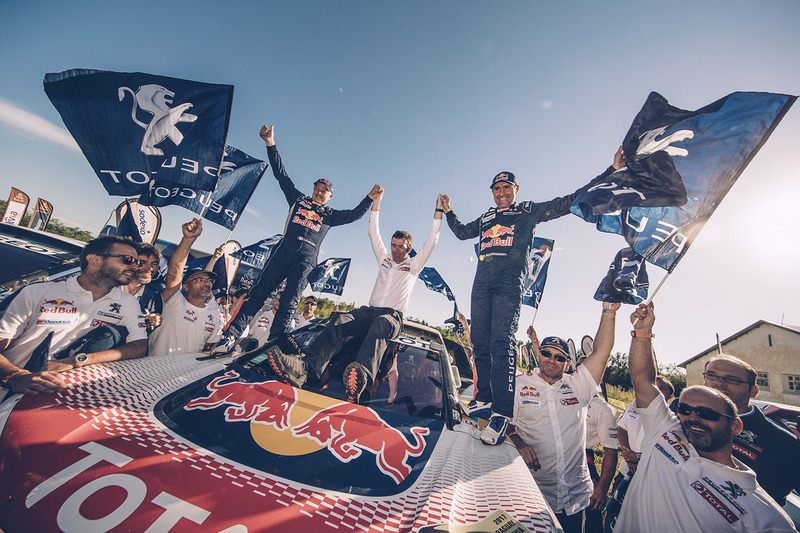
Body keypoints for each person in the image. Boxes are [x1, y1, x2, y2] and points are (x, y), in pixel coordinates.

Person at [441, 148, 625, 445]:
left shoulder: (527, 211)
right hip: (481, 283)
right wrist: (448, 211)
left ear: (515, 190)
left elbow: (568, 202)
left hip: (508, 284)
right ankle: (483, 398)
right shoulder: (487, 217)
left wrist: (610, 171)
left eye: (506, 188)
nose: (501, 193)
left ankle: (502, 412)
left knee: (502, 344)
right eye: (497, 189)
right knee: (482, 344)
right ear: (492, 192)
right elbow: (462, 233)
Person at [614, 302, 795, 532]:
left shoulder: (764, 512)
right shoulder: (668, 431)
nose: (693, 417)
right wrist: (642, 333)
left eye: (707, 413)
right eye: (685, 409)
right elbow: (642, 379)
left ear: (736, 426)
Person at [265, 188, 443, 404]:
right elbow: (373, 232)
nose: (396, 251)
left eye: (401, 247)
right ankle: (304, 367)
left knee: (381, 324)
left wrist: (438, 211)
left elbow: (432, 241)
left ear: (409, 248)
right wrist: (376, 204)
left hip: (392, 317)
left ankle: (360, 377)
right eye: (393, 246)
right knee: (339, 319)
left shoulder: (414, 265)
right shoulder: (384, 259)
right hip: (368, 312)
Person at [213, 125, 376, 354]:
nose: (319, 192)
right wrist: (271, 143)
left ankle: (274, 345)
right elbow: (281, 175)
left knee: (289, 302)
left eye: (324, 191)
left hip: (306, 258)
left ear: (330, 196)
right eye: (317, 188)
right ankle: (229, 337)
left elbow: (355, 214)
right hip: (284, 251)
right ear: (313, 189)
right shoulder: (298, 200)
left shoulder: (330, 215)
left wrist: (369, 198)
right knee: (258, 294)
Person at [507, 302, 619, 533]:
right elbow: (504, 423)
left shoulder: (578, 385)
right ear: (540, 355)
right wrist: (518, 441)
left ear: (567, 363)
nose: (551, 359)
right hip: (534, 493)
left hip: (576, 496)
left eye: (559, 357)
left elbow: (601, 353)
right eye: (547, 353)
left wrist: (608, 312)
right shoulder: (519, 385)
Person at [0, 236, 148, 395]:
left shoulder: (128, 303)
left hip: (60, 396)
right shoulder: (38, 292)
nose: (135, 266)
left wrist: (75, 361)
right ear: (94, 260)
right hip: (9, 389)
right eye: (127, 259)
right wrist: (16, 376)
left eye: (137, 262)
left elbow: (138, 348)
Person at [701, 353, 800, 507]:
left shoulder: (782, 440)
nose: (718, 383)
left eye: (731, 379)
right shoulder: (685, 416)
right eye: (711, 376)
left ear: (753, 391)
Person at [604, 375, 674, 531]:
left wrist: (638, 459)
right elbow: (622, 428)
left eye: (662, 388)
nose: (657, 391)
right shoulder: (633, 406)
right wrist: (628, 453)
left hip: (649, 479)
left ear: (671, 396)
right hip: (626, 470)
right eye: (654, 387)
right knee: (613, 512)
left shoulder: (672, 420)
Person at [148, 219, 221, 356]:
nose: (206, 283)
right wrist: (188, 239)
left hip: (184, 374)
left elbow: (209, 347)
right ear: (185, 286)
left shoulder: (214, 314)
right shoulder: (174, 301)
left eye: (209, 280)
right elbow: (174, 271)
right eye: (199, 280)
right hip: (153, 369)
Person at [584, 391, 619, 533]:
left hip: (585, 461)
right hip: (554, 463)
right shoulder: (560, 394)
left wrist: (602, 489)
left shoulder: (602, 408)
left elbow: (611, 452)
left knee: (590, 516)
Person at [122, 242, 164, 331]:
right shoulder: (109, 287)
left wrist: (149, 321)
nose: (149, 268)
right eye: (142, 262)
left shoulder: (153, 297)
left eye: (154, 264)